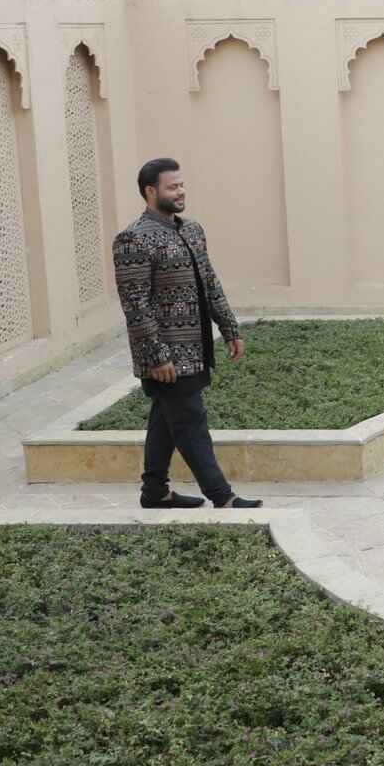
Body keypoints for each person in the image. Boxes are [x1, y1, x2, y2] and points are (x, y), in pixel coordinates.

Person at [112, 157, 261, 510]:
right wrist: (156, 355)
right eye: (172, 187)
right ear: (151, 191)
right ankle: (222, 497)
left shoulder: (192, 230)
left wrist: (229, 328)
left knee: (166, 417)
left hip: (197, 348)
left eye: (181, 185)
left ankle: (154, 492)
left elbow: (209, 283)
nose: (180, 192)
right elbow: (136, 304)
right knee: (190, 420)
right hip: (166, 355)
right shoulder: (133, 239)